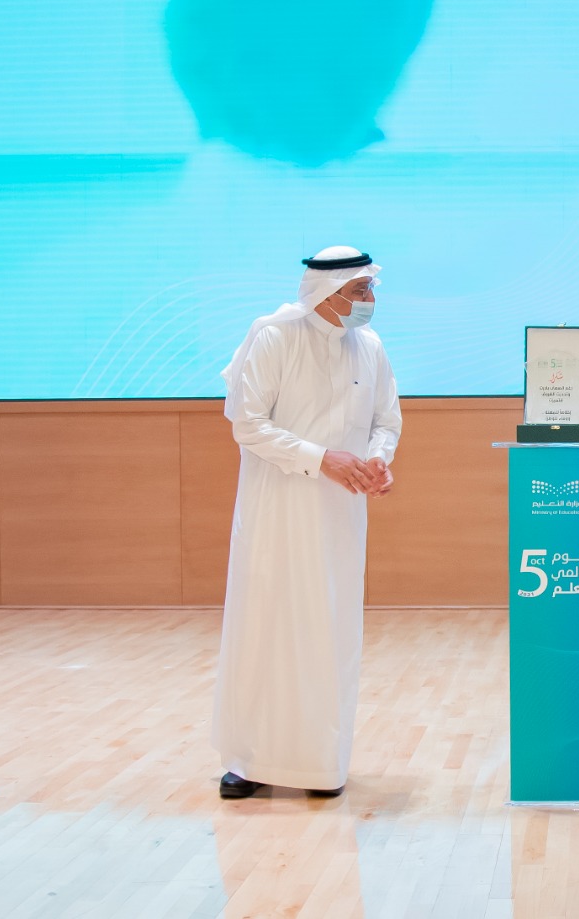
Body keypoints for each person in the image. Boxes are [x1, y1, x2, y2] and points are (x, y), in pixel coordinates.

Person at [212, 245, 402, 799]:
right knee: (265, 625)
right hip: (276, 509)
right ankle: (248, 761)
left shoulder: (369, 345)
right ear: (328, 293)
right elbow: (248, 425)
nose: (369, 301)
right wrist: (322, 460)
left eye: (371, 290)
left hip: (339, 514)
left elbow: (386, 420)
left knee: (330, 631)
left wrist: (377, 460)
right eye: (360, 290)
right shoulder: (274, 336)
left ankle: (320, 763)